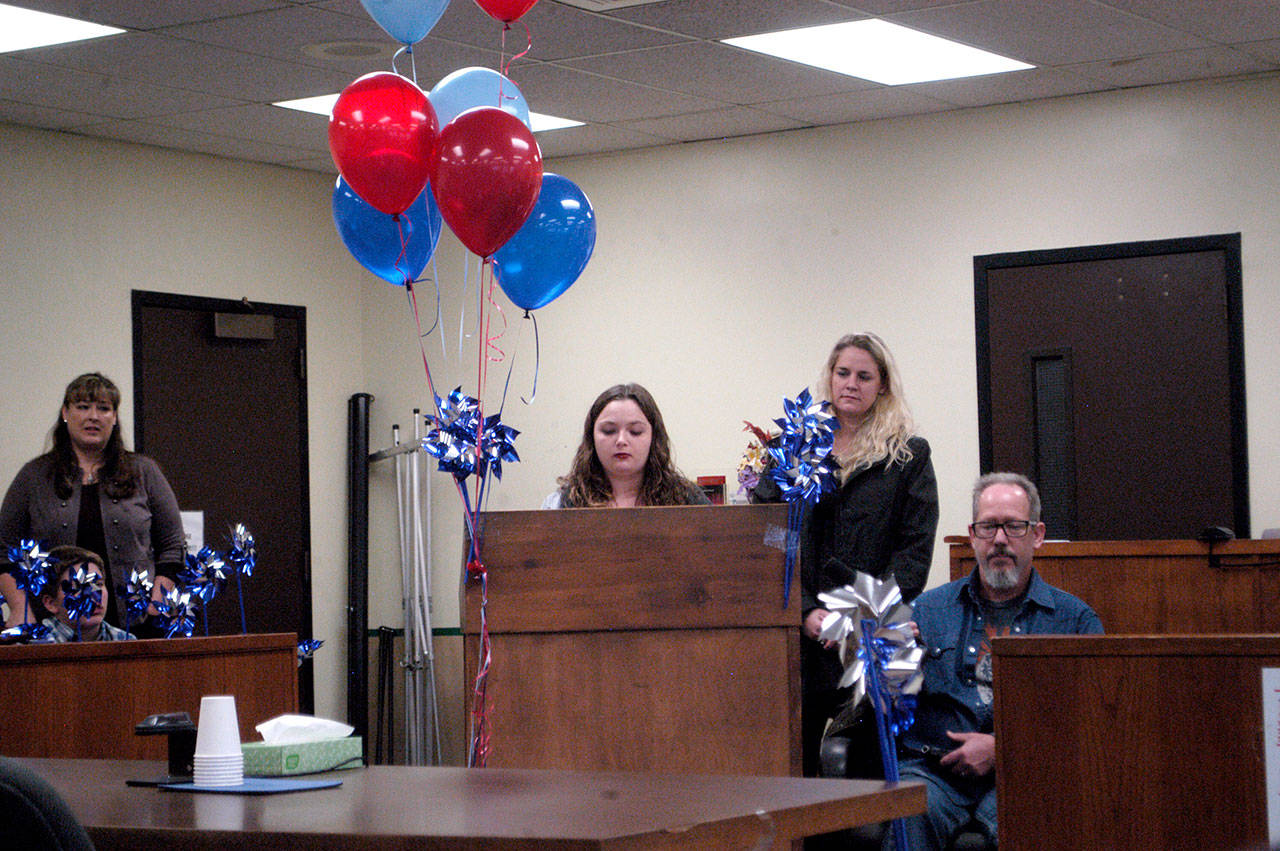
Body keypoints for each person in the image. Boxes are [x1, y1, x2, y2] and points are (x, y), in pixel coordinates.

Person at [886, 472, 1104, 850]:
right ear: (973, 535)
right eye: (988, 527)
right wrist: (886, 667)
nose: (1000, 539)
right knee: (906, 813)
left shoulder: (1075, 620)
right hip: (933, 772)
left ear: (1037, 534)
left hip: (1032, 773)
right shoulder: (925, 611)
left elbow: (1094, 724)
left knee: (1040, 813)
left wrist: (1002, 748)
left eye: (1013, 527)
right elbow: (890, 710)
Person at [800, 333, 939, 777]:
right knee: (793, 764)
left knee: (871, 766)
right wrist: (805, 611)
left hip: (875, 625)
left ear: (882, 385)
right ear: (830, 377)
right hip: (804, 631)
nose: (851, 384)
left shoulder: (909, 456)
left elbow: (914, 553)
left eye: (865, 376)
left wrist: (859, 611)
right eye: (843, 373)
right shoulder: (798, 451)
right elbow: (769, 539)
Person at [0, 372, 184, 630]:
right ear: (66, 413)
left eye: (104, 408)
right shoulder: (34, 476)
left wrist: (157, 604)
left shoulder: (145, 472)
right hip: (52, 628)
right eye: (83, 407)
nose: (93, 416)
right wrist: (21, 608)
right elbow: (3, 550)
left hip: (136, 625)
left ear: (115, 417)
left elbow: (173, 547)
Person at [542, 383, 709, 508]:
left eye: (635, 431)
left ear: (654, 437)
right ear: (591, 437)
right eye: (608, 431)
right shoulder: (560, 503)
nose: (621, 440)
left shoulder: (688, 499)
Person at [39, 545, 135, 642]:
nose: (94, 595)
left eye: (99, 584)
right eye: (78, 587)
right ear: (50, 603)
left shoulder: (126, 640)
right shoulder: (35, 645)